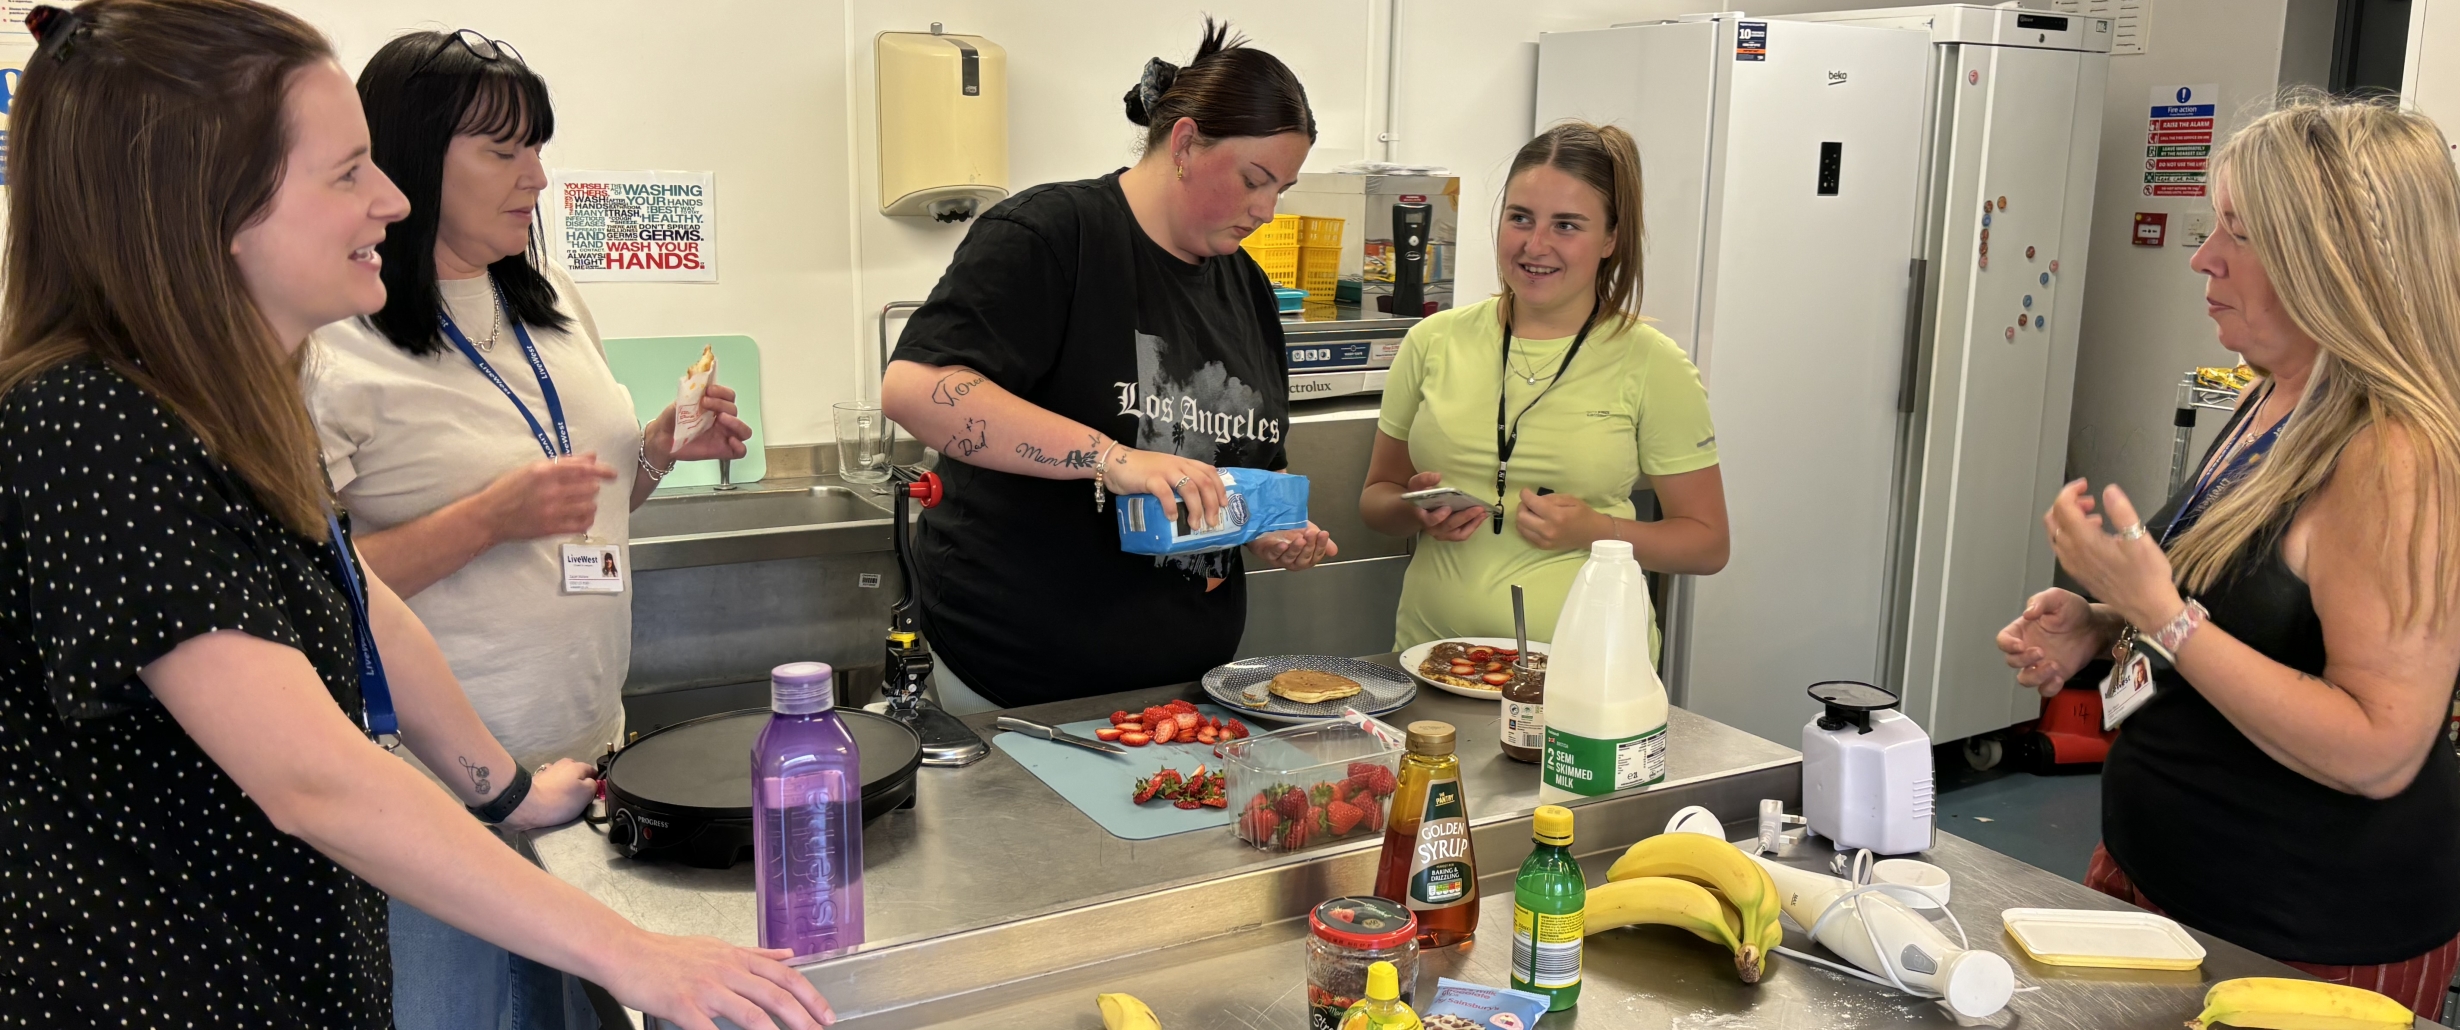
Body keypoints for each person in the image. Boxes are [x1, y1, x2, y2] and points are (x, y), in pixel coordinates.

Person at [0, 3, 831, 1028]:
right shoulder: (90, 419)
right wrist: (632, 952)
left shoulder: (234, 401)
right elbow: (311, 777)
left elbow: (360, 603)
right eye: (348, 172)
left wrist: (504, 789)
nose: (391, 201)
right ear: (202, 204)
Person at [300, 30, 753, 1028]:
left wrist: (658, 448)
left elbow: (586, 508)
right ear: (414, 159)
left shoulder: (550, 307)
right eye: (501, 151)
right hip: (437, 798)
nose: (536, 177)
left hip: (584, 767)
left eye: (538, 148)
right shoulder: (336, 342)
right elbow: (304, 590)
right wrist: (481, 521)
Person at [1995, 94, 2460, 1017]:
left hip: (2305, 933)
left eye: (2238, 234)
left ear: (2333, 261)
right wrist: (2101, 625)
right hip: (2166, 877)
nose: (2203, 258)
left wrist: (2161, 611)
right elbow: (2250, 608)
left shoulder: (2393, 455)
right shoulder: (2281, 392)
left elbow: (2379, 749)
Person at [880, 19, 1335, 711]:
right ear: (1184, 143)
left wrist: (1265, 525)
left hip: (1186, 692)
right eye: (1254, 180)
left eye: (1284, 189)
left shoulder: (1246, 287)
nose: (1267, 211)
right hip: (1014, 687)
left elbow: (1244, 462)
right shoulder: (1052, 237)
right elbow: (915, 390)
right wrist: (1111, 458)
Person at [1359, 122, 1728, 650]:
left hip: (1588, 671)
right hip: (1433, 658)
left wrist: (1597, 531)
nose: (1536, 245)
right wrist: (1412, 508)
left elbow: (1708, 544)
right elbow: (1376, 501)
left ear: (1611, 239)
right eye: (1521, 218)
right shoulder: (1432, 341)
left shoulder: (1653, 363)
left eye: (1567, 225)